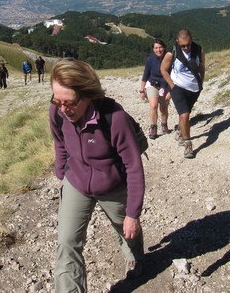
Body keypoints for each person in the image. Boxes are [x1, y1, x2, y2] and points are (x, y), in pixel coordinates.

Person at [49, 59, 145, 292]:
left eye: (69, 103)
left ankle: (137, 260)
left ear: (88, 95)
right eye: (57, 101)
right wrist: (61, 172)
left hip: (113, 186)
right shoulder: (58, 112)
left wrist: (133, 213)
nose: (63, 109)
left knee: (128, 233)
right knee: (67, 243)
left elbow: (133, 166)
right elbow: (59, 142)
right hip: (77, 182)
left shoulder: (115, 118)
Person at [160, 29, 206, 159]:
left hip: (194, 89)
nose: (186, 48)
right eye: (183, 45)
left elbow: (202, 66)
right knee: (185, 115)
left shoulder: (198, 50)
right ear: (177, 42)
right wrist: (172, 86)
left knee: (185, 114)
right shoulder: (171, 53)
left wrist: (201, 83)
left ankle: (181, 132)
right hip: (178, 88)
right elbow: (163, 70)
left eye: (188, 44)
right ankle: (188, 144)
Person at [139, 38, 172, 140]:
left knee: (163, 107)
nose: (158, 50)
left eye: (160, 47)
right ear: (153, 49)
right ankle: (153, 127)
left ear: (164, 47)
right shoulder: (150, 59)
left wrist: (171, 91)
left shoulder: (170, 58)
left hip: (165, 85)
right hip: (153, 84)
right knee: (153, 105)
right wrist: (142, 90)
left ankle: (164, 124)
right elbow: (145, 75)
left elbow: (174, 75)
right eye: (156, 48)